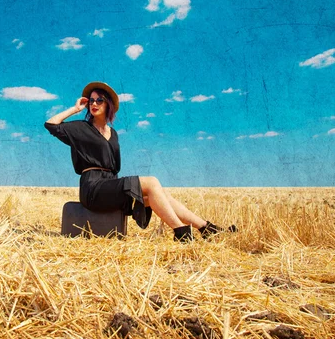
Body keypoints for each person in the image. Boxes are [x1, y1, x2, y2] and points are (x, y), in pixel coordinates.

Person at [44, 81, 236, 242]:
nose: (94, 103)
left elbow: (114, 166)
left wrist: (124, 192)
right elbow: (51, 124)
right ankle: (180, 232)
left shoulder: (113, 133)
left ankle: (206, 228)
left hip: (109, 184)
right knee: (151, 182)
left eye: (99, 100)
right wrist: (75, 109)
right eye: (91, 100)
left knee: (159, 195)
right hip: (93, 188)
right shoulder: (81, 128)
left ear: (108, 104)